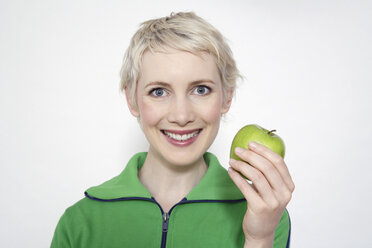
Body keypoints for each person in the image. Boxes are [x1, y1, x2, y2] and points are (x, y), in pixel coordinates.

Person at [51, 11, 295, 248]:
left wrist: (259, 240)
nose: (181, 116)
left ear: (227, 97)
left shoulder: (266, 216)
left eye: (200, 89)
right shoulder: (79, 222)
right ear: (131, 100)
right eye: (158, 91)